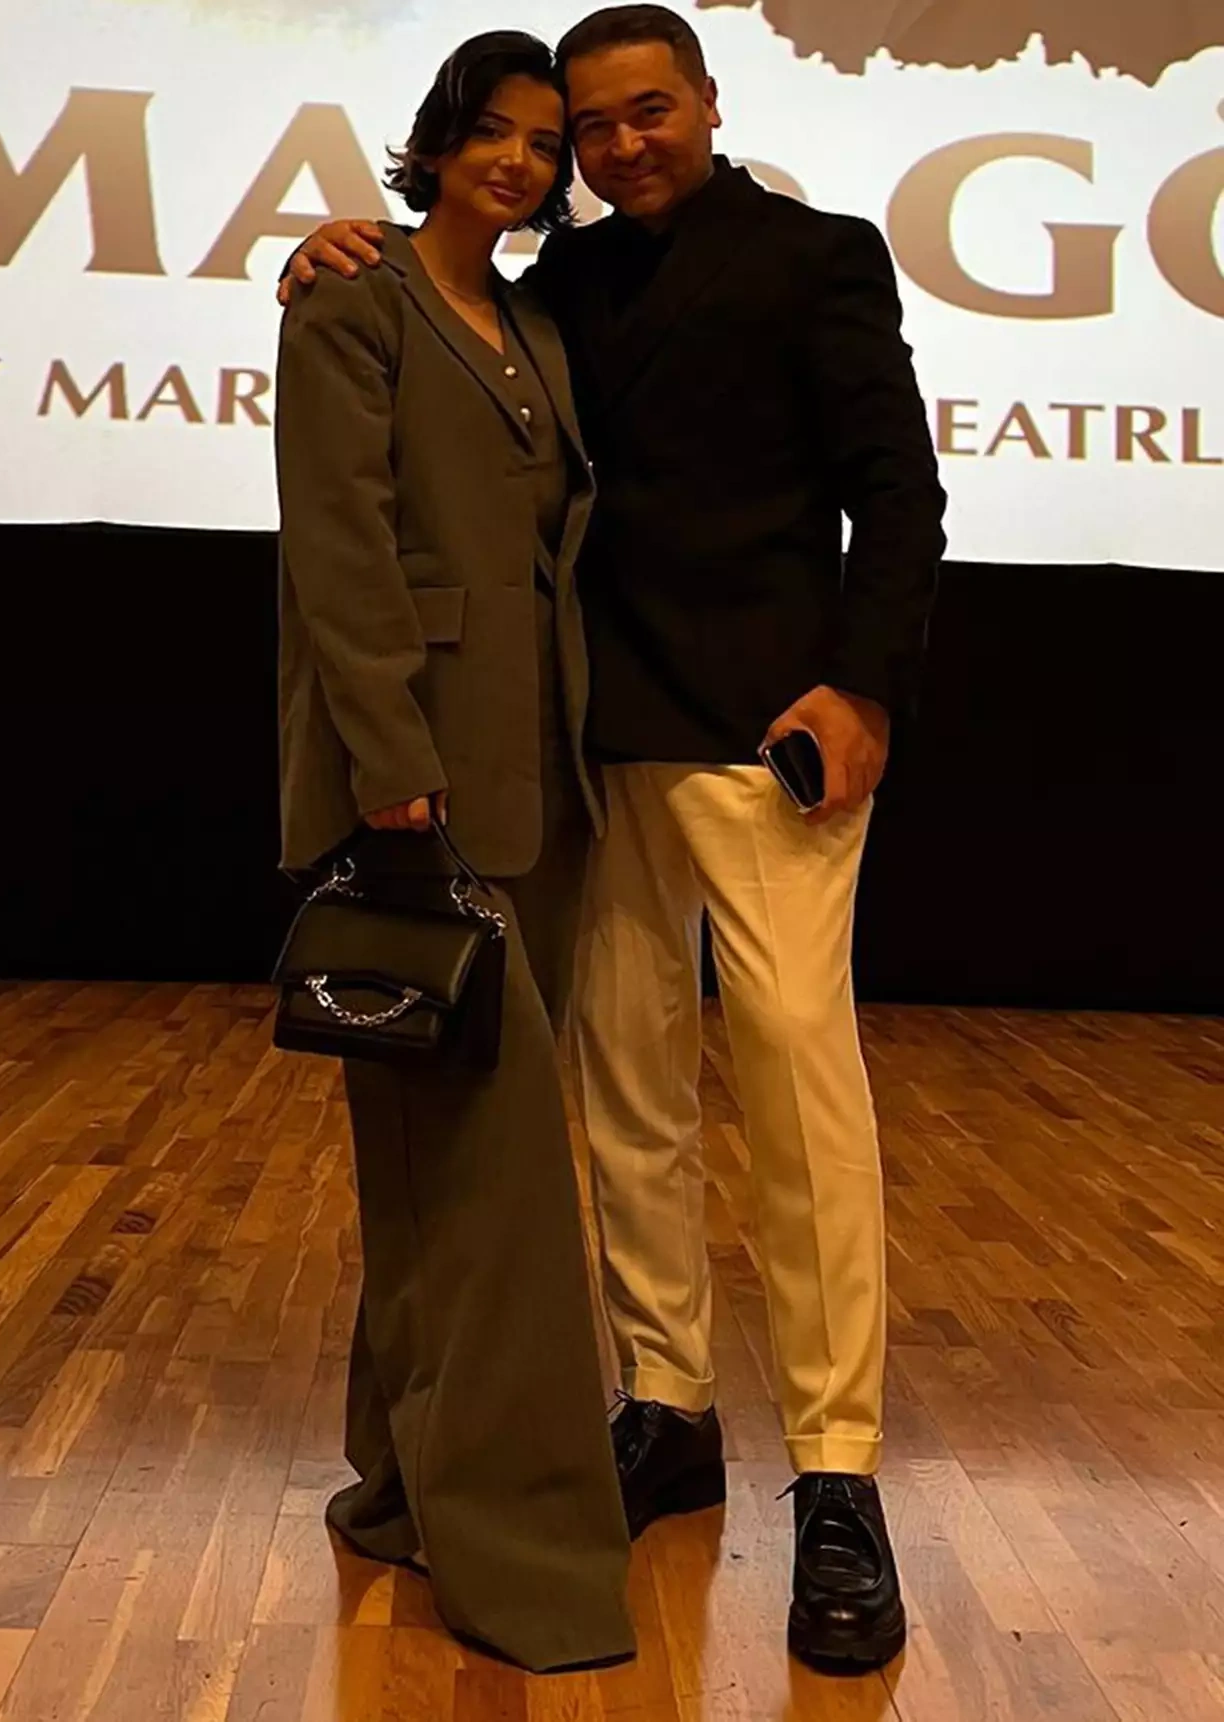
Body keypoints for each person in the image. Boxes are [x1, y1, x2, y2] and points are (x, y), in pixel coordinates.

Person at [280, 3, 947, 1674]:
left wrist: (865, 682)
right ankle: (666, 1402)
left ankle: (839, 1471)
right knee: (625, 1093)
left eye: (648, 112)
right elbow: (433, 320)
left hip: (772, 744)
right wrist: (322, 250)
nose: (618, 144)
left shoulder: (820, 255)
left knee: (798, 1087)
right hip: (590, 748)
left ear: (709, 104)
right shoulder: (558, 284)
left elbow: (900, 489)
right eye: (591, 126)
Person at [274, 29, 635, 1674]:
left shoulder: (538, 327)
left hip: (541, 784)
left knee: (445, 1170)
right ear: (435, 142)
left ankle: (398, 1485)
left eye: (543, 143)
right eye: (492, 131)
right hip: (418, 781)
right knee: (490, 1186)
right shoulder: (352, 301)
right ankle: (523, 1551)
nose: (519, 160)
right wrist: (391, 766)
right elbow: (340, 542)